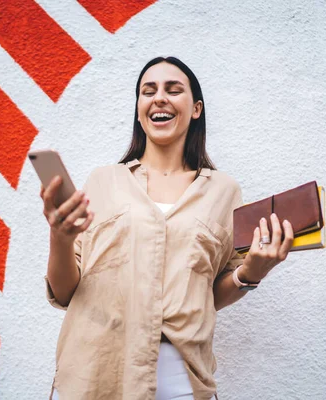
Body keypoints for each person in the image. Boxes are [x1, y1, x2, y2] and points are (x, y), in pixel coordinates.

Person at [40, 56, 294, 400]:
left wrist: (251, 273)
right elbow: (65, 292)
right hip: (92, 375)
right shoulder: (103, 181)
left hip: (181, 381)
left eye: (173, 90)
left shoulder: (224, 192)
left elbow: (207, 296)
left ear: (196, 109)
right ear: (139, 108)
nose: (159, 97)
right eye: (148, 91)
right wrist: (60, 236)